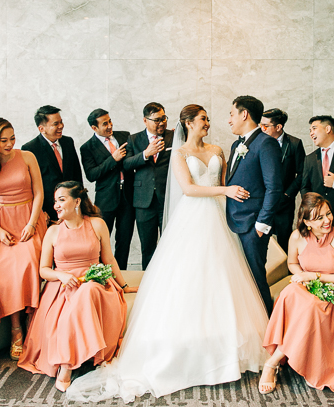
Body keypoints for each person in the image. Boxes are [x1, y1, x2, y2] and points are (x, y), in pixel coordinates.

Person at [67, 104, 269, 402]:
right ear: (188, 123)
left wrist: (229, 194)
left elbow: (224, 181)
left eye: (207, 119)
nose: (208, 123)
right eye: (203, 119)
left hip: (219, 216)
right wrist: (225, 192)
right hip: (193, 216)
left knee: (223, 276)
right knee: (188, 276)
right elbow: (188, 188)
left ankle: (226, 347)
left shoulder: (218, 150)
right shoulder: (179, 153)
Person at [19, 181, 135, 392]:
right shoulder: (53, 231)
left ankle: (66, 366)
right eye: (55, 201)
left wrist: (124, 286)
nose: (56, 205)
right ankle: (70, 360)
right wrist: (61, 275)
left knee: (88, 290)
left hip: (96, 284)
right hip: (63, 287)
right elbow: (43, 270)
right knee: (77, 299)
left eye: (61, 200)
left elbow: (109, 259)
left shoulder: (97, 224)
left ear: (77, 202)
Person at [260, 193, 334, 393]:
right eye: (319, 218)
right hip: (309, 287)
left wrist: (313, 276)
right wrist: (303, 277)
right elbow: (292, 263)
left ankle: (272, 363)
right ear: (307, 222)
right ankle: (282, 356)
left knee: (311, 307)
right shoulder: (296, 237)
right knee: (289, 292)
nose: (327, 221)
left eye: (328, 214)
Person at [0, 118, 48, 360]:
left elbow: (39, 192)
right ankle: (16, 328)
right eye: (3, 140)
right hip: (2, 224)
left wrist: (32, 223)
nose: (9, 144)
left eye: (12, 138)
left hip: (29, 217)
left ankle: (33, 322)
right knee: (5, 273)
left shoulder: (27, 157)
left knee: (30, 264)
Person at [225, 95, 283, 316]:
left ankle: (267, 325)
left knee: (255, 278)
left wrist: (261, 224)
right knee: (240, 279)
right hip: (233, 222)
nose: (229, 120)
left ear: (244, 114)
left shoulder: (266, 143)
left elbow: (274, 187)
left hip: (252, 225)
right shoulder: (236, 145)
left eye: (232, 114)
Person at [80, 109, 135, 270]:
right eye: (105, 123)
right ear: (94, 127)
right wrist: (113, 159)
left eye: (110, 121)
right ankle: (101, 274)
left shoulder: (125, 136)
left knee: (124, 240)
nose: (110, 125)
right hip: (106, 200)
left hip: (128, 197)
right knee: (100, 241)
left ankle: (121, 273)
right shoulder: (87, 148)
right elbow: (91, 174)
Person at [123, 102, 174, 268]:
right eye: (157, 120)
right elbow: (126, 164)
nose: (162, 123)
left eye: (164, 118)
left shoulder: (174, 136)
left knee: (170, 244)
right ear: (145, 120)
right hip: (143, 201)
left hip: (167, 198)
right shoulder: (134, 139)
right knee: (148, 246)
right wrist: (146, 154)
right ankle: (148, 278)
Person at [21, 105, 84, 222]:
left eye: (61, 122)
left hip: (72, 208)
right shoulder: (30, 149)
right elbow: (30, 186)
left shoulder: (68, 142)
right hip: (48, 211)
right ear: (41, 128)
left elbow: (77, 174)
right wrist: (41, 211)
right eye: (56, 124)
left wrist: (81, 202)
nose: (61, 126)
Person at [260, 108, 306, 253]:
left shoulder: (294, 143)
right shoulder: (259, 142)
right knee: (262, 238)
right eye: (261, 125)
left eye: (265, 126)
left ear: (278, 127)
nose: (262, 129)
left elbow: (302, 173)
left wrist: (288, 194)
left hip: (284, 203)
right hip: (263, 201)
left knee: (284, 238)